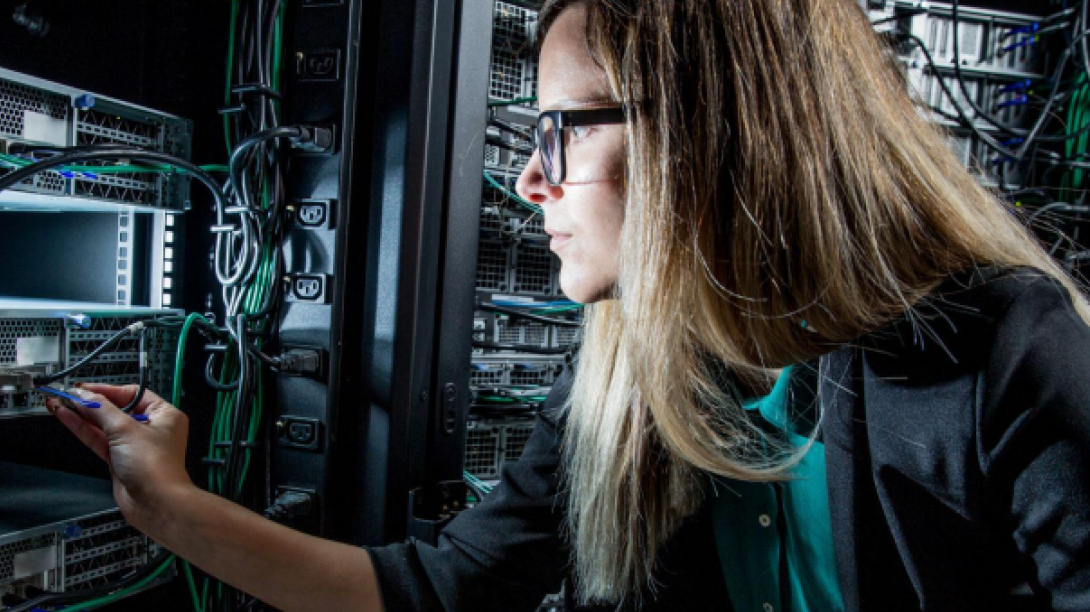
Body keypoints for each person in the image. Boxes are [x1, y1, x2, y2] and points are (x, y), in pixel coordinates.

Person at [46, 0, 1090, 610]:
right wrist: (165, 505)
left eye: (560, 133)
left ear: (707, 137)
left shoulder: (999, 353)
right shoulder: (627, 371)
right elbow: (442, 592)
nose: (527, 184)